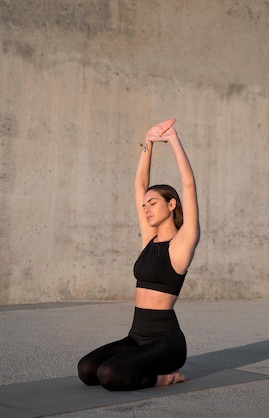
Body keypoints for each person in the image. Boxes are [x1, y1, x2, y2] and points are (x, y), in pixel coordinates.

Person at [77, 118, 200, 391]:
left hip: (166, 343)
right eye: (144, 205)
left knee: (109, 376)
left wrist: (173, 140)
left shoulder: (182, 243)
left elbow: (189, 185)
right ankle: (142, 366)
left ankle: (165, 378)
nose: (145, 208)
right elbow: (139, 185)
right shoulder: (150, 238)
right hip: (136, 336)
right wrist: (148, 142)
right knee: (87, 370)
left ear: (171, 204)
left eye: (152, 203)